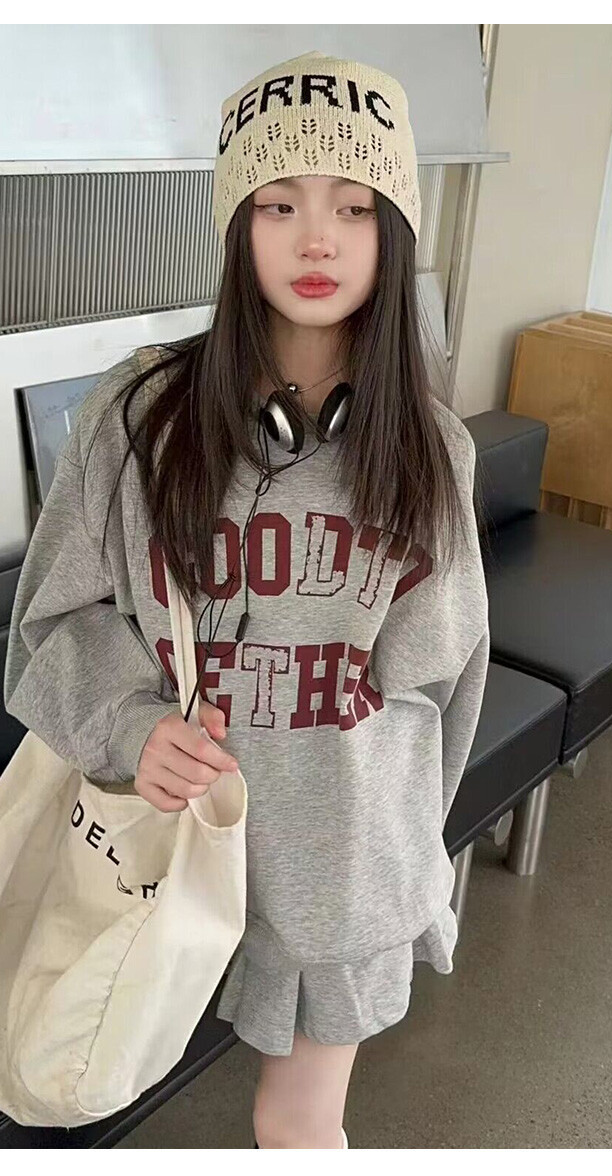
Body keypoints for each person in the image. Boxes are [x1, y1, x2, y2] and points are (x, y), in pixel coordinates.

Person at [3, 50, 490, 1149]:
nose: (317, 240)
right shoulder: (140, 418)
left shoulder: (431, 452)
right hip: (157, 841)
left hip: (337, 873)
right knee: (81, 1071)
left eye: (353, 207)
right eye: (279, 205)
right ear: (237, 226)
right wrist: (132, 725)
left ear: (393, 230)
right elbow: (53, 618)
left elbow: (442, 693)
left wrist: (403, 861)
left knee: (298, 1130)